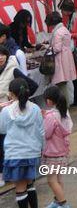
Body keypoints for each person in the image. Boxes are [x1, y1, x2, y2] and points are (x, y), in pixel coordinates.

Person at [0, 78, 44, 208]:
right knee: (30, 184)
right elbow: (41, 131)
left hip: (15, 154)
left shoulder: (6, 111)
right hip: (32, 152)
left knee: (20, 188)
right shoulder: (35, 108)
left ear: (11, 94)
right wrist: (42, 148)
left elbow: (1, 129)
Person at [0, 45, 38, 188]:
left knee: (10, 143)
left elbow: (32, 86)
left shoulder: (13, 69)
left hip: (12, 113)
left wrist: (18, 101)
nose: (0, 57)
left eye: (2, 54)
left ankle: (17, 175)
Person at [42, 86, 73, 208]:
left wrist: (44, 118)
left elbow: (47, 133)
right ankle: (57, 201)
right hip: (62, 151)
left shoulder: (51, 116)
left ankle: (63, 203)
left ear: (49, 100)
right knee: (59, 178)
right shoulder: (64, 112)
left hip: (52, 153)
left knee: (51, 180)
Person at [45, 12, 77, 106]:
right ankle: (65, 104)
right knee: (64, 84)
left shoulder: (57, 32)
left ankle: (64, 105)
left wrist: (49, 48)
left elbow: (57, 48)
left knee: (61, 84)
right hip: (67, 58)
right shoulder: (64, 29)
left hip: (60, 60)